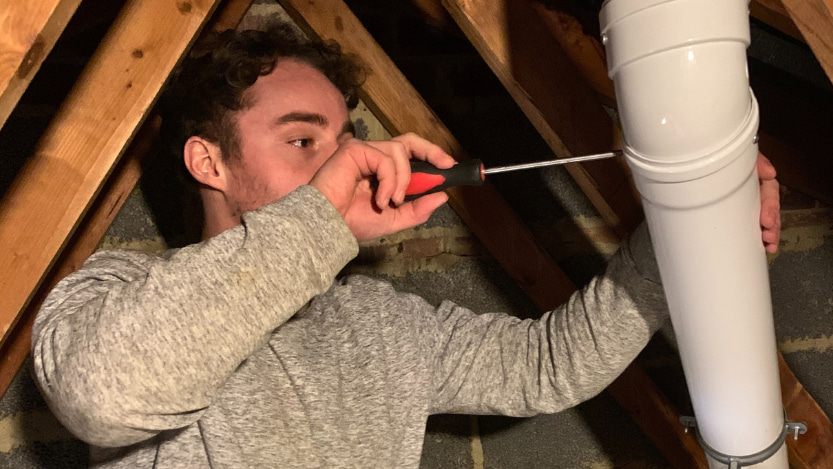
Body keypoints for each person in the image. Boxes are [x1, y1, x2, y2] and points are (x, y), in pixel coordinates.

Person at [31, 25, 781, 468]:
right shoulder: (109, 295)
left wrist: (691, 220)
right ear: (208, 163)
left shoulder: (380, 323)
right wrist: (320, 220)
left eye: (343, 139)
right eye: (301, 140)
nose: (335, 162)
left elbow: (547, 365)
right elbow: (107, 393)